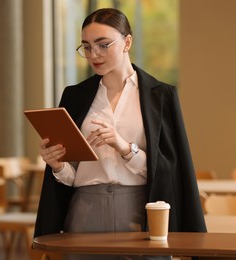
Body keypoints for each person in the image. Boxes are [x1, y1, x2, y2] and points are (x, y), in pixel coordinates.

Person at [33, 7, 206, 259]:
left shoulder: (161, 96)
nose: (94, 54)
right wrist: (58, 166)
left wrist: (125, 147)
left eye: (103, 45)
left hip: (141, 213)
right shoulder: (74, 96)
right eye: (87, 47)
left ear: (127, 42)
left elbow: (166, 170)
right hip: (84, 212)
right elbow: (73, 175)